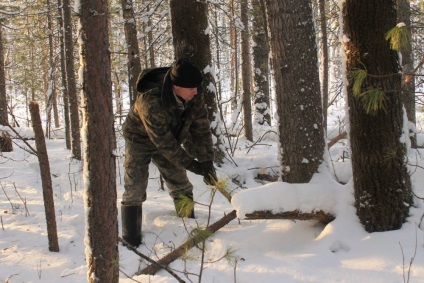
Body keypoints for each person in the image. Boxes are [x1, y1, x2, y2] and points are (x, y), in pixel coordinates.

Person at [121, 58, 218, 247]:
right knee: (135, 188)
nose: (196, 92)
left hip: (170, 138)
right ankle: (131, 241)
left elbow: (201, 129)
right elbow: (164, 144)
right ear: (176, 86)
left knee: (181, 183)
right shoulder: (151, 100)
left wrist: (207, 162)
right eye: (191, 88)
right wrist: (192, 165)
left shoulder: (194, 96)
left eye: (197, 87)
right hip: (139, 140)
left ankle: (187, 226)